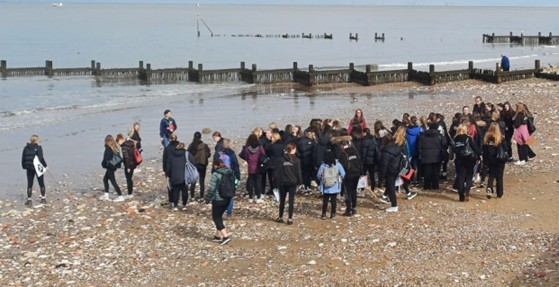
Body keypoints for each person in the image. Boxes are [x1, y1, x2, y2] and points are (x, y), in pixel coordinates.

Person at [205, 159, 233, 245]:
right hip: (228, 198)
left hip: (218, 199)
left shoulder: (216, 174)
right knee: (219, 216)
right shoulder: (230, 172)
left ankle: (225, 236)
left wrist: (207, 198)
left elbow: (212, 189)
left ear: (216, 166)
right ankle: (217, 236)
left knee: (216, 217)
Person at [453, 123, 481, 202]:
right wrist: (479, 154)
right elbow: (475, 148)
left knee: (460, 177)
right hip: (469, 159)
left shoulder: (455, 138)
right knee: (469, 176)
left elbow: (454, 150)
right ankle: (466, 192)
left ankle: (461, 195)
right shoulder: (469, 138)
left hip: (459, 160)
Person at [275, 143, 302, 225]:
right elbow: (298, 172)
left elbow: (277, 172)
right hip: (292, 182)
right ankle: (290, 218)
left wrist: (276, 182)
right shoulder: (296, 160)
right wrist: (300, 182)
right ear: (293, 149)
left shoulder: (281, 159)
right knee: (291, 201)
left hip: (283, 182)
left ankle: (280, 217)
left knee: (282, 201)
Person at [317, 150, 345, 220]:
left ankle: (323, 214)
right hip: (335, 185)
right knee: (333, 200)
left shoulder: (323, 165)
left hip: (325, 186)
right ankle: (333, 214)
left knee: (325, 200)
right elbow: (343, 174)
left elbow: (318, 176)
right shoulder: (338, 164)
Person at [165, 143, 194, 211]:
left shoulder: (171, 155)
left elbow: (168, 167)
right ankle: (184, 205)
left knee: (175, 191)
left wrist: (169, 175)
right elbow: (193, 162)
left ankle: (175, 205)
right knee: (184, 191)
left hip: (174, 176)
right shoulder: (187, 154)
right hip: (185, 176)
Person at [378, 134, 403, 212]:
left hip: (390, 170)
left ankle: (394, 205)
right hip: (397, 169)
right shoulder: (397, 148)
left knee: (391, 187)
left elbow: (384, 165)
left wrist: (381, 179)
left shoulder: (385, 151)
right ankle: (386, 197)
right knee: (390, 186)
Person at [417, 122, 446, 190]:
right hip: (437, 155)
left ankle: (427, 185)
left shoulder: (423, 135)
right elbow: (444, 144)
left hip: (426, 155)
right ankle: (435, 185)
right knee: (436, 171)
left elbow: (419, 146)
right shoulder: (439, 135)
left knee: (427, 171)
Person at [21, 135, 48, 205]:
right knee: (41, 183)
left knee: (30, 184)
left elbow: (23, 158)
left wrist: (24, 166)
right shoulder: (38, 148)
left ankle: (29, 200)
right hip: (37, 168)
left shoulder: (26, 148)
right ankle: (43, 199)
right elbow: (41, 158)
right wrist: (45, 166)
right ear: (36, 140)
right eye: (38, 139)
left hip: (29, 168)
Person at [239, 134, 265, 203]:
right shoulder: (259, 147)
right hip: (258, 166)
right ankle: (258, 196)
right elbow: (263, 154)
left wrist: (247, 160)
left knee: (251, 181)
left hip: (250, 166)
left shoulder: (247, 148)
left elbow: (243, 155)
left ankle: (250, 197)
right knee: (258, 182)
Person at [483, 122, 506, 199]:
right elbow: (506, 149)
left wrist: (485, 161)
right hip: (499, 160)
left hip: (490, 159)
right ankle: (500, 193)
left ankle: (489, 187)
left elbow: (484, 150)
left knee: (491, 174)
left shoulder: (487, 138)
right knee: (499, 176)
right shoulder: (501, 138)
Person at [338, 140, 361, 216]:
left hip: (348, 175)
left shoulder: (343, 153)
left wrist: (340, 175)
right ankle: (354, 207)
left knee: (348, 192)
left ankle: (349, 210)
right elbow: (359, 161)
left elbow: (343, 166)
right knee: (354, 191)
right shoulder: (354, 151)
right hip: (357, 173)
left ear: (342, 145)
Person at [187, 131, 211, 201]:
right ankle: (201, 197)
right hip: (202, 164)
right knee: (202, 181)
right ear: (200, 137)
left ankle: (192, 196)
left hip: (194, 165)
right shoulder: (204, 145)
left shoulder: (191, 145)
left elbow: (188, 155)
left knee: (193, 181)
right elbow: (208, 154)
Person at [100, 135, 124, 202]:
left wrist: (103, 164)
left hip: (110, 166)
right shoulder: (116, 147)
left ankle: (120, 195)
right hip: (114, 166)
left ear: (106, 141)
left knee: (113, 181)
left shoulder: (108, 148)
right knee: (105, 179)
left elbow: (106, 159)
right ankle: (106, 195)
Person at [116, 133, 137, 200]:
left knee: (128, 179)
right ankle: (130, 193)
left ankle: (130, 194)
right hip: (133, 163)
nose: (119, 144)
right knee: (130, 179)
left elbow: (126, 157)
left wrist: (127, 167)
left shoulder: (124, 147)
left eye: (118, 142)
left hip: (129, 165)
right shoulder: (130, 143)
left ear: (120, 140)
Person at [163, 133, 179, 205]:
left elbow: (164, 160)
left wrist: (165, 170)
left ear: (169, 139)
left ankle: (171, 200)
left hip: (169, 168)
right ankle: (176, 200)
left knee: (170, 185)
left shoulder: (167, 148)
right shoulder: (179, 147)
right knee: (177, 185)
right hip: (177, 168)